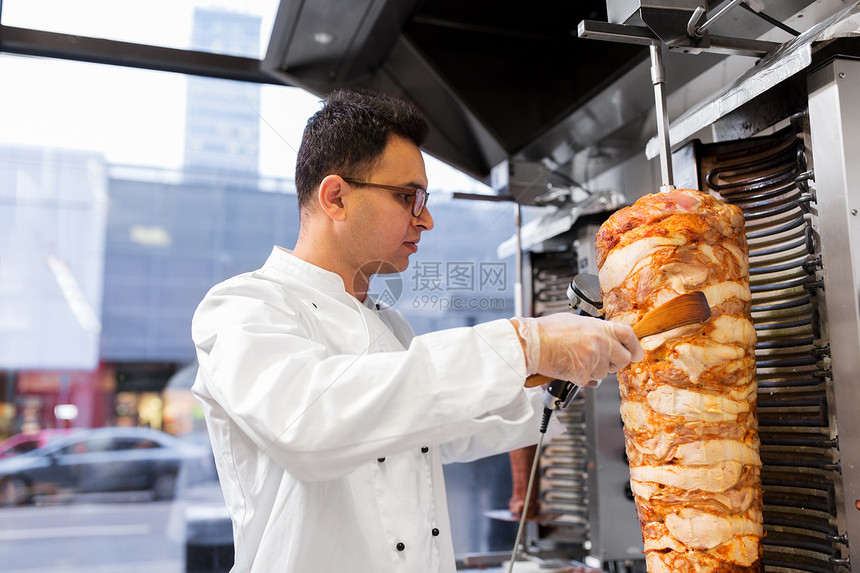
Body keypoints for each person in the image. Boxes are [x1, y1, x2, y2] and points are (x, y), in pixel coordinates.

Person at [191, 88, 643, 573]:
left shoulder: (388, 324)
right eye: (409, 197)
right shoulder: (243, 307)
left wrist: (562, 370)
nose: (425, 219)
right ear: (336, 197)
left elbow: (447, 430)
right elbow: (309, 423)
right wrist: (524, 343)